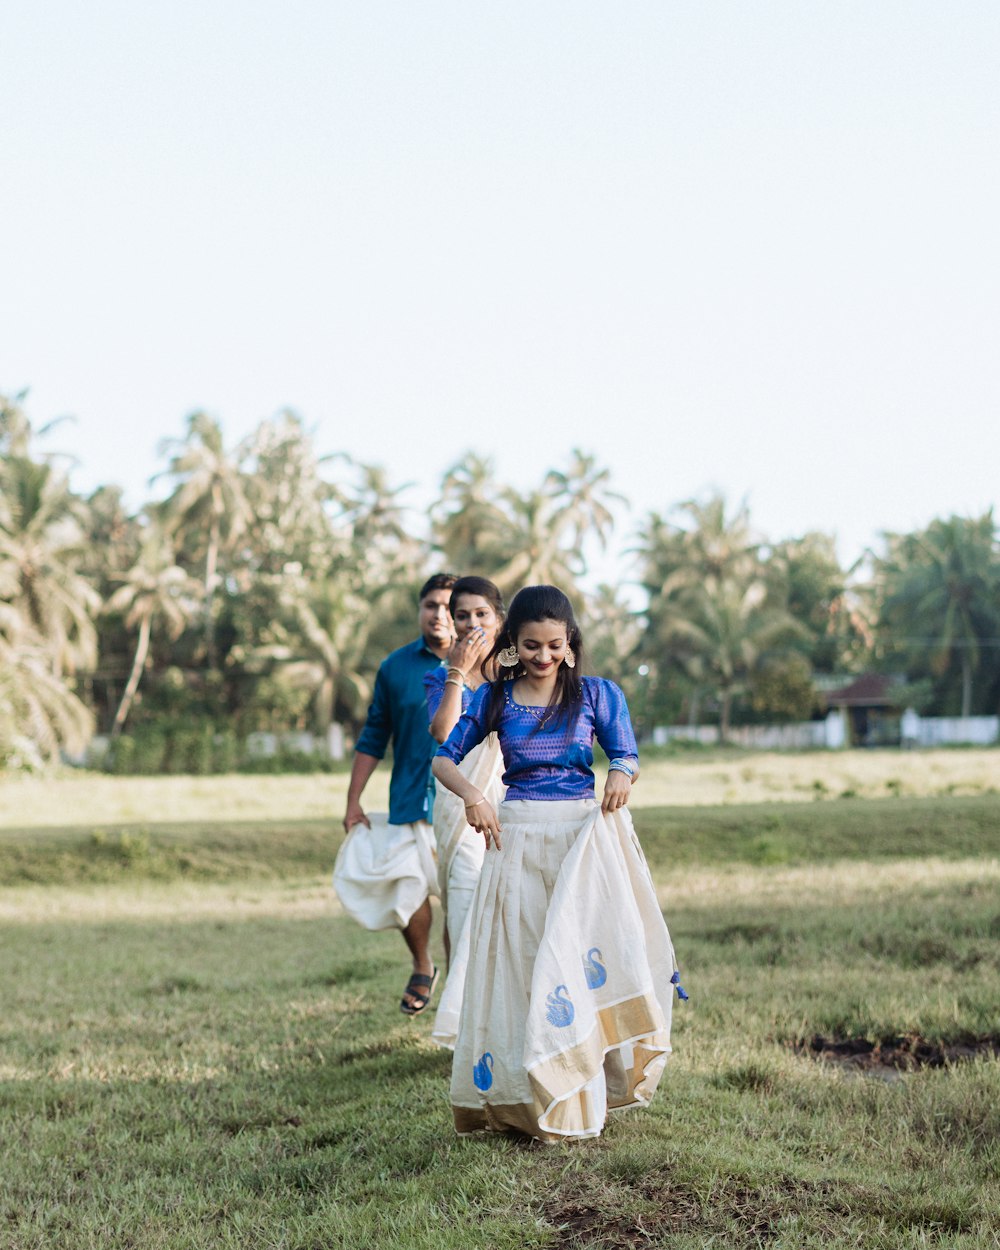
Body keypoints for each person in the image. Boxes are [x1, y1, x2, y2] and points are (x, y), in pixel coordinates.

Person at [432, 585, 685, 1142]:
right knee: (525, 965)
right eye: (530, 646)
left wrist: (621, 772)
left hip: (582, 841)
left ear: (569, 643)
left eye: (553, 645)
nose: (542, 657)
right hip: (516, 839)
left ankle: (580, 1102)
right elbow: (442, 759)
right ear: (511, 646)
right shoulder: (496, 699)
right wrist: (475, 798)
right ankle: (524, 1102)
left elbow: (625, 752)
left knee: (577, 958)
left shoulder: (597, 694)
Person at [334, 572, 456, 1016]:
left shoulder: (488, 667)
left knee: (460, 901)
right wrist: (353, 801)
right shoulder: (396, 667)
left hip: (464, 804)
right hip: (409, 801)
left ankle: (459, 988)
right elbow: (373, 737)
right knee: (406, 887)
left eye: (449, 606)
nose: (440, 614)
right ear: (420, 611)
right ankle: (423, 964)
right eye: (431, 605)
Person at [423, 577, 507, 1045]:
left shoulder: (519, 673)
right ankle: (465, 1027)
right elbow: (443, 733)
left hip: (513, 806)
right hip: (460, 812)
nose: (472, 624)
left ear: (499, 619)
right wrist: (459, 672)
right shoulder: (440, 676)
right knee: (466, 910)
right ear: (451, 622)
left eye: (482, 614)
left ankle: (502, 1019)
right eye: (462, 615)